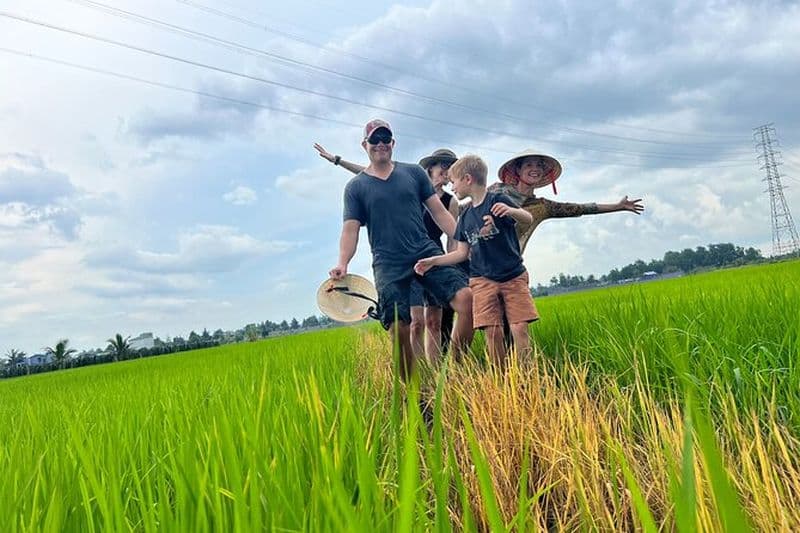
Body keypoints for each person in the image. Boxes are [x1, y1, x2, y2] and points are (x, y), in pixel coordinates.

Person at [328, 120, 473, 381]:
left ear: (393, 143)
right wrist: (342, 263)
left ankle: (455, 373)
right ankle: (414, 391)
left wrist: (464, 241)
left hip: (424, 252)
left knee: (466, 299)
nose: (381, 143)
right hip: (388, 264)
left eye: (386, 138)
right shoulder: (356, 187)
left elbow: (439, 212)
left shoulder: (413, 174)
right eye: (375, 139)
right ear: (365, 145)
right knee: (398, 328)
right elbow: (350, 230)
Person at [416, 155, 538, 368]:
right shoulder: (465, 218)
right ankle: (499, 379)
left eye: (454, 181)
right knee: (493, 332)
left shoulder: (497, 200)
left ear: (468, 179)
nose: (452, 186)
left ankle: (528, 378)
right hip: (482, 281)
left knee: (519, 328)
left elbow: (527, 219)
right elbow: (461, 253)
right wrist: (434, 261)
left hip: (512, 276)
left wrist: (511, 211)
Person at [489, 149, 644, 253]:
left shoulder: (542, 206)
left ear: (544, 172)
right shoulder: (497, 190)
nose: (534, 169)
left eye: (539, 165)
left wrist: (618, 206)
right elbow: (470, 207)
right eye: (529, 164)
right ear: (518, 170)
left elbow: (581, 208)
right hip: (477, 264)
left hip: (511, 269)